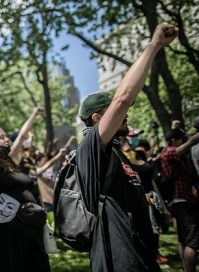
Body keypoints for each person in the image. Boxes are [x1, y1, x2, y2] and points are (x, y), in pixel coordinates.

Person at [75, 23, 178, 272]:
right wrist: (153, 46)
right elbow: (122, 98)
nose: (125, 114)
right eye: (114, 112)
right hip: (119, 260)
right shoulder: (92, 146)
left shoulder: (116, 153)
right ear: (98, 119)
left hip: (141, 254)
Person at [0, 113, 50, 271]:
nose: (6, 139)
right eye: (1, 137)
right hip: (5, 234)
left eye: (6, 136)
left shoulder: (10, 162)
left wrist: (34, 114)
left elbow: (22, 136)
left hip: (30, 229)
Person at [160, 127, 199, 272]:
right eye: (181, 139)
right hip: (181, 202)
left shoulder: (177, 156)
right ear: (173, 141)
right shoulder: (169, 152)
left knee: (183, 239)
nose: (184, 141)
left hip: (182, 201)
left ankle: (185, 268)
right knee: (192, 242)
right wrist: (193, 139)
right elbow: (187, 145)